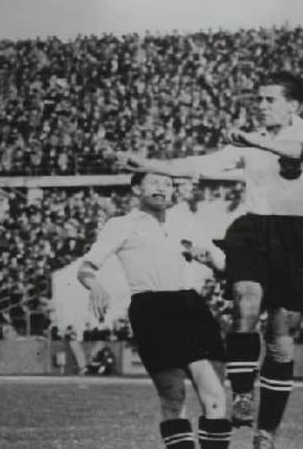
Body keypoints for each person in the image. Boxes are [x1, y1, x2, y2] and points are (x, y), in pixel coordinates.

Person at [116, 71, 303, 449]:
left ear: (293, 106)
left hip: (298, 236)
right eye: (258, 100)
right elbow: (199, 162)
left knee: (281, 337)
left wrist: (254, 142)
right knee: (246, 299)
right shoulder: (249, 143)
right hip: (255, 230)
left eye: (270, 100)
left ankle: (267, 431)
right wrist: (148, 163)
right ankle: (243, 396)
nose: (261, 106)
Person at [77, 172, 231, 449]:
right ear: (137, 189)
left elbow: (223, 266)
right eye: (154, 182)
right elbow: (86, 268)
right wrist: (96, 287)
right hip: (152, 309)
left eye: (168, 184)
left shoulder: (185, 221)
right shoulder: (121, 225)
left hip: (191, 307)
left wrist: (208, 261)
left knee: (216, 397)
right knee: (173, 397)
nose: (162, 188)